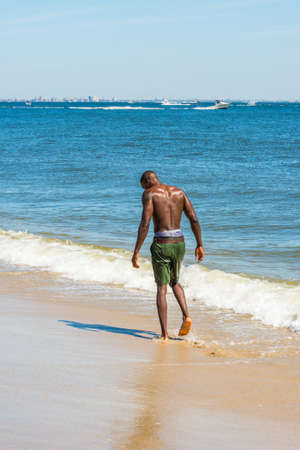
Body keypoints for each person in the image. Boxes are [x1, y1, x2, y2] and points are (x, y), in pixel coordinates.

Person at [132, 171, 204, 340]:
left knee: (161, 288)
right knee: (175, 281)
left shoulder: (149, 194)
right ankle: (186, 315)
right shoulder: (179, 192)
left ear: (146, 183)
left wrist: (136, 251)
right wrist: (199, 244)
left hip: (162, 243)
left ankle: (164, 334)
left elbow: (145, 223)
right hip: (179, 242)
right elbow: (193, 218)